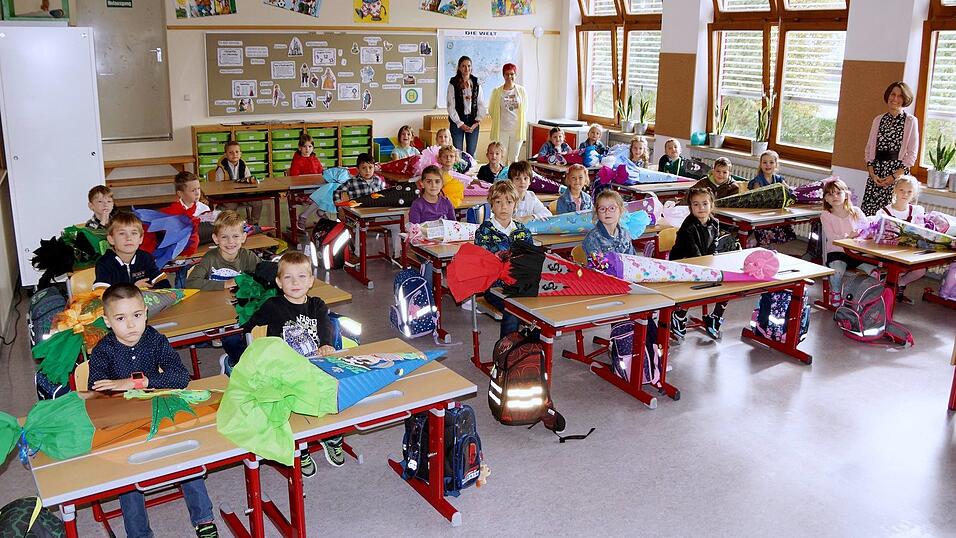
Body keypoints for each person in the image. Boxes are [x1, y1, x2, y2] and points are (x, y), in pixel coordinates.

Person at [87, 283, 219, 538]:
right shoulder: (103, 351)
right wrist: (124, 391)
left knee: (186, 453)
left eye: (137, 315)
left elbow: (180, 377)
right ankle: (138, 533)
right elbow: (98, 396)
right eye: (121, 318)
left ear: (146, 313)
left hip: (161, 411)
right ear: (107, 321)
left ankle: (203, 518)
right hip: (125, 423)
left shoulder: (155, 339)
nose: (131, 325)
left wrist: (137, 383)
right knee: (127, 470)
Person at [241, 251, 341, 474]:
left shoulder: (317, 305)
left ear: (311, 281)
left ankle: (331, 434)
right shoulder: (272, 306)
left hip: (315, 363)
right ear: (278, 282)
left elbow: (326, 326)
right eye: (288, 277)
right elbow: (250, 327)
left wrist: (326, 344)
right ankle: (300, 445)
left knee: (334, 388)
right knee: (288, 400)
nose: (295, 283)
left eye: (302, 277)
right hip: (284, 370)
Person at [474, 181, 532, 337]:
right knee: (512, 311)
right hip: (494, 287)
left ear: (515, 204)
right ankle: (506, 355)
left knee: (538, 312)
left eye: (509, 202)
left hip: (521, 286)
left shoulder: (522, 230)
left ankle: (529, 353)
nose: (504, 207)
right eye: (498, 202)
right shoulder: (484, 230)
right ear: (491, 205)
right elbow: (483, 261)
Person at [670, 188, 728, 341]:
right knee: (698, 285)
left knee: (729, 283)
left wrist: (714, 265)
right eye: (696, 204)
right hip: (682, 264)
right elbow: (693, 253)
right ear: (690, 207)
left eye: (704, 204)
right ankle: (679, 315)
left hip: (703, 263)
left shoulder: (714, 223)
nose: (701, 208)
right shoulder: (688, 226)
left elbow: (712, 249)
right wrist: (708, 270)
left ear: (711, 205)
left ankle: (715, 317)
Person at [861, 81, 920, 216]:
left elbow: (911, 154)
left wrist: (894, 176)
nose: (895, 99)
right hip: (876, 174)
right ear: (888, 96)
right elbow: (869, 148)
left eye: (900, 96)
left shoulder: (910, 121)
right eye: (893, 94)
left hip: (897, 175)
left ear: (905, 99)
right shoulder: (878, 120)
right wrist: (872, 173)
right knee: (871, 216)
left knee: (892, 217)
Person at [820, 179, 877, 306]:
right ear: (826, 199)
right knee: (837, 270)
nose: (834, 196)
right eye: (830, 194)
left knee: (875, 272)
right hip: (837, 252)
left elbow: (866, 230)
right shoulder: (826, 215)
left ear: (846, 195)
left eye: (838, 193)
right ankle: (835, 292)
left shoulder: (856, 211)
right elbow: (832, 238)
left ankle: (870, 295)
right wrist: (849, 237)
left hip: (857, 252)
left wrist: (867, 235)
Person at [878, 175, 926, 303]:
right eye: (902, 190)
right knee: (896, 268)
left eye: (909, 191)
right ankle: (887, 287)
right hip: (888, 252)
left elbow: (921, 232)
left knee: (920, 270)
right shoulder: (883, 212)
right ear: (895, 190)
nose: (905, 194)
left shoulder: (917, 211)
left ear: (914, 194)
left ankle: (899, 284)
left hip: (909, 251)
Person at [93, 212, 169, 290]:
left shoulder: (145, 258)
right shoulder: (104, 263)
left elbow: (163, 282)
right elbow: (103, 294)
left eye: (134, 233)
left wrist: (152, 289)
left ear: (140, 239)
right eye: (122, 233)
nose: (129, 238)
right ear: (111, 239)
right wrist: (133, 288)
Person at [748, 150, 796, 247]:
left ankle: (767, 246)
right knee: (770, 223)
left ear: (776, 165)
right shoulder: (758, 181)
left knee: (784, 221)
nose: (767, 165)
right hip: (761, 213)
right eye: (764, 162)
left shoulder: (778, 179)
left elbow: (789, 191)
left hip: (775, 212)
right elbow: (757, 198)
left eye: (771, 162)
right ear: (760, 165)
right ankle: (756, 240)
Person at [446, 55, 487, 157]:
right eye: (463, 66)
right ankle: (458, 173)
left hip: (473, 122)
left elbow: (481, 103)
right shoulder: (453, 83)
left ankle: (470, 173)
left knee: (471, 154)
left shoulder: (476, 83)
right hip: (457, 123)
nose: (466, 69)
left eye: (469, 66)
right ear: (459, 68)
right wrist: (460, 123)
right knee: (457, 154)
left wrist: (477, 121)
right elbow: (451, 106)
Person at [215, 140, 263, 226]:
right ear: (225, 155)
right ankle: (232, 226)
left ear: (241, 153)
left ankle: (254, 223)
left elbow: (249, 179)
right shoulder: (221, 168)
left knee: (258, 203)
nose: (234, 154)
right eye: (231, 152)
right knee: (231, 207)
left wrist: (252, 181)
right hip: (228, 196)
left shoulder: (243, 165)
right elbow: (219, 186)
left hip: (243, 194)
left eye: (237, 152)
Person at [488, 63, 528, 164]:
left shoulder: (521, 91)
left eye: (512, 74)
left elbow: (525, 109)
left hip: (517, 130)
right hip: (502, 130)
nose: (509, 77)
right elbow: (492, 110)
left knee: (513, 159)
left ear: (515, 75)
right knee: (500, 159)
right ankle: (501, 179)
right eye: (507, 74)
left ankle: (512, 179)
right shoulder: (497, 92)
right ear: (503, 75)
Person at [288, 134, 324, 231]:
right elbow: (294, 177)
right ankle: (310, 215)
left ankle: (316, 214)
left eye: (310, 146)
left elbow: (322, 173)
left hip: (315, 189)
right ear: (300, 148)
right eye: (304, 146)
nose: (307, 149)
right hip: (301, 191)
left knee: (332, 195)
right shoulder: (297, 161)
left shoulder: (315, 159)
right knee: (321, 198)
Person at [582, 189, 634, 258]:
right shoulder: (592, 238)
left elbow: (632, 259)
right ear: (597, 213)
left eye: (612, 208)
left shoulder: (625, 234)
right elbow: (597, 266)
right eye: (602, 209)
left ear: (621, 210)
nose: (607, 212)